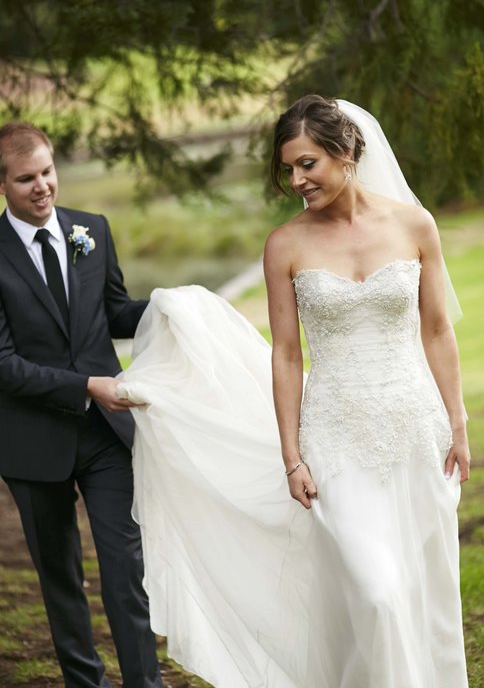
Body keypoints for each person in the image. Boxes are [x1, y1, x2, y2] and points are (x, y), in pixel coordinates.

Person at [118, 97, 469, 688]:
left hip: (416, 430)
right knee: (375, 592)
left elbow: (436, 329)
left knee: (417, 591)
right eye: (288, 170)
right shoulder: (285, 244)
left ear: (348, 152)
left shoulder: (414, 225)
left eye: (308, 164)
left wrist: (458, 427)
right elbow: (286, 354)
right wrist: (292, 456)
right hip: (334, 437)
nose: (296, 181)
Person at [0, 123, 163, 688]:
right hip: (32, 441)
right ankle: (83, 682)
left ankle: (144, 682)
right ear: (3, 185)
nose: (42, 186)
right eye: (26, 179)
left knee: (126, 568)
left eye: (47, 172)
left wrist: (171, 311)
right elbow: (3, 365)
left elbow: (113, 312)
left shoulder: (91, 230)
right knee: (62, 578)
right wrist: (84, 385)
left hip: (105, 434)